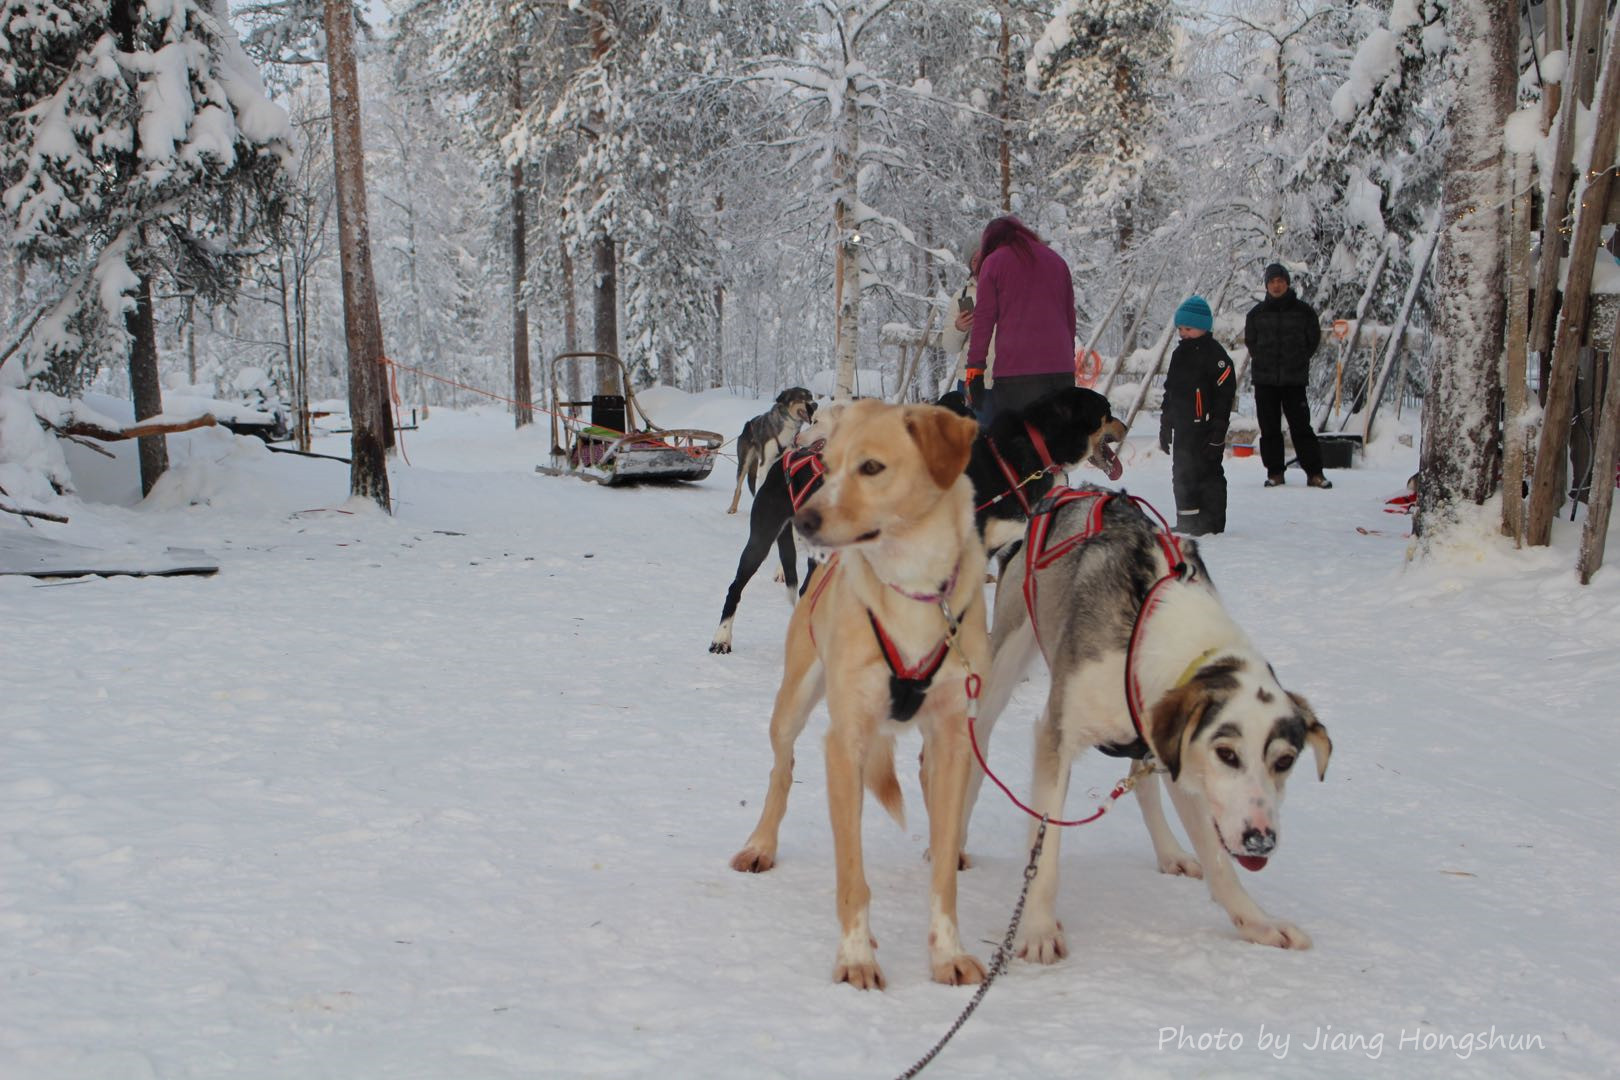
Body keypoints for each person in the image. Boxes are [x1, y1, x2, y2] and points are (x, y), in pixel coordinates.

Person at [964, 215, 1076, 418]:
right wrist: (1069, 359)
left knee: (1021, 443)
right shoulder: (1057, 261)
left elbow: (983, 320)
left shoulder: (994, 262)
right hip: (1061, 371)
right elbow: (1069, 318)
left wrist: (975, 371)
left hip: (1016, 374)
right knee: (1058, 444)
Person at [1244, 262, 1332, 489]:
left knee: (1301, 427)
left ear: (1287, 283)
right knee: (1269, 428)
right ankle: (1275, 472)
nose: (1276, 285)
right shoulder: (1256, 314)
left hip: (1294, 380)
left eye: (1280, 281)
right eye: (1272, 281)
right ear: (1266, 285)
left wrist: (1298, 359)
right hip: (1265, 380)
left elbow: (1312, 340)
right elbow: (1251, 342)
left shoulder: (1303, 312)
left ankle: (1314, 473)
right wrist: (1263, 360)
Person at [1159, 295, 1235, 536]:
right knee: (1182, 473)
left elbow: (1225, 397)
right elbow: (1170, 391)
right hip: (1183, 428)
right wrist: (1165, 423)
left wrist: (1218, 431)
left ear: (1204, 326)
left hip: (1206, 429)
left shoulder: (1217, 357)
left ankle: (1211, 522)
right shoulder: (1178, 355)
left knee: (1208, 474)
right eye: (1180, 328)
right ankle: (1187, 520)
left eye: (1188, 328)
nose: (1182, 333)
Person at [938, 245, 996, 426]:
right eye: (974, 260)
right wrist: (958, 328)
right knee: (975, 442)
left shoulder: (1009, 291)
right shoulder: (962, 296)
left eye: (984, 257)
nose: (980, 263)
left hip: (1006, 381)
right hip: (973, 382)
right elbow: (949, 346)